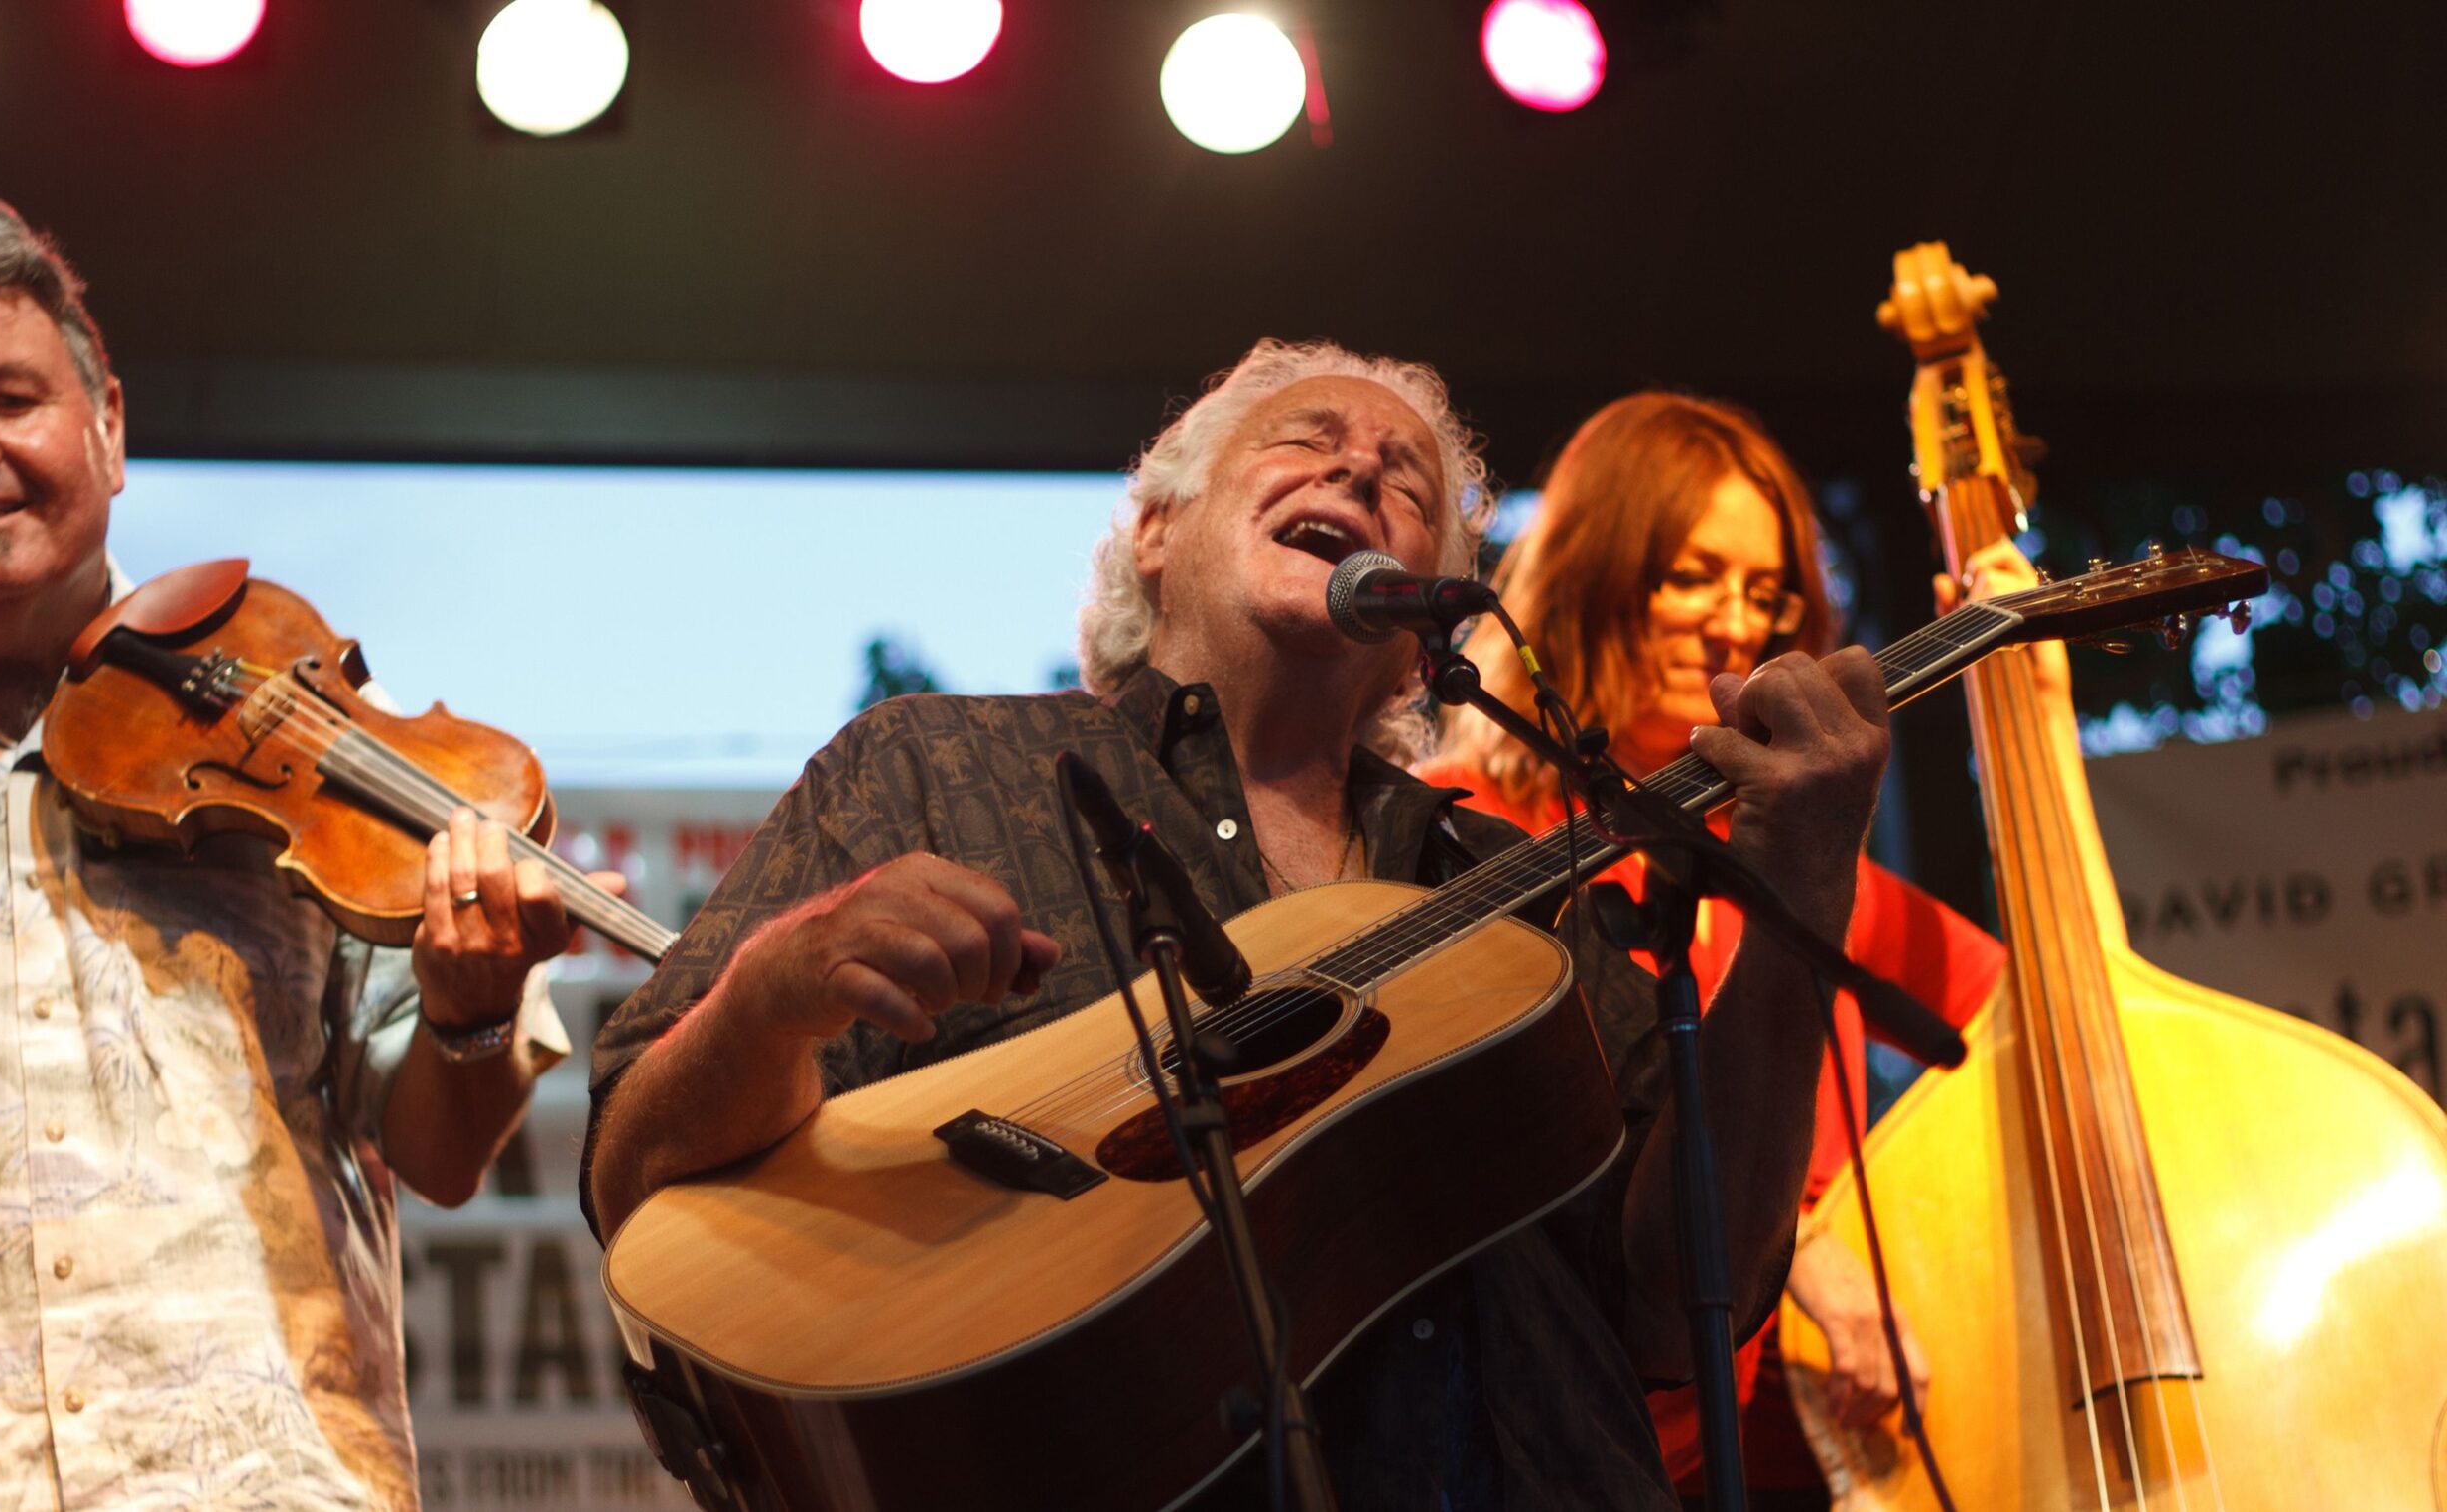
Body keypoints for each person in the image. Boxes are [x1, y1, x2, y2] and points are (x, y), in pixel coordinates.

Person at [584, 340, 1895, 1509]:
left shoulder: (1516, 889)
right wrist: (772, 991)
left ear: (1422, 640)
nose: (1362, 470)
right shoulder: (932, 769)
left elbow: (1679, 1302)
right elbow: (637, 1178)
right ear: (1155, 532)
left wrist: (1802, 891)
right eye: (1307, 441)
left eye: (1407, 485)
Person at [0, 195, 600, 1509]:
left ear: (109, 427)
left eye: (7, 397)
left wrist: (472, 1010)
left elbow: (440, 1156)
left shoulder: (294, 742)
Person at [1418, 392, 2011, 1504]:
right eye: (1692, 576)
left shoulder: (1791, 859)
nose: (1735, 625)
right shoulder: (1456, 828)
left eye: (1768, 592)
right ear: (1595, 575)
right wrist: (1805, 1253)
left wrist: (2028, 710)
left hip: (1803, 1459)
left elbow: (2032, 1019)